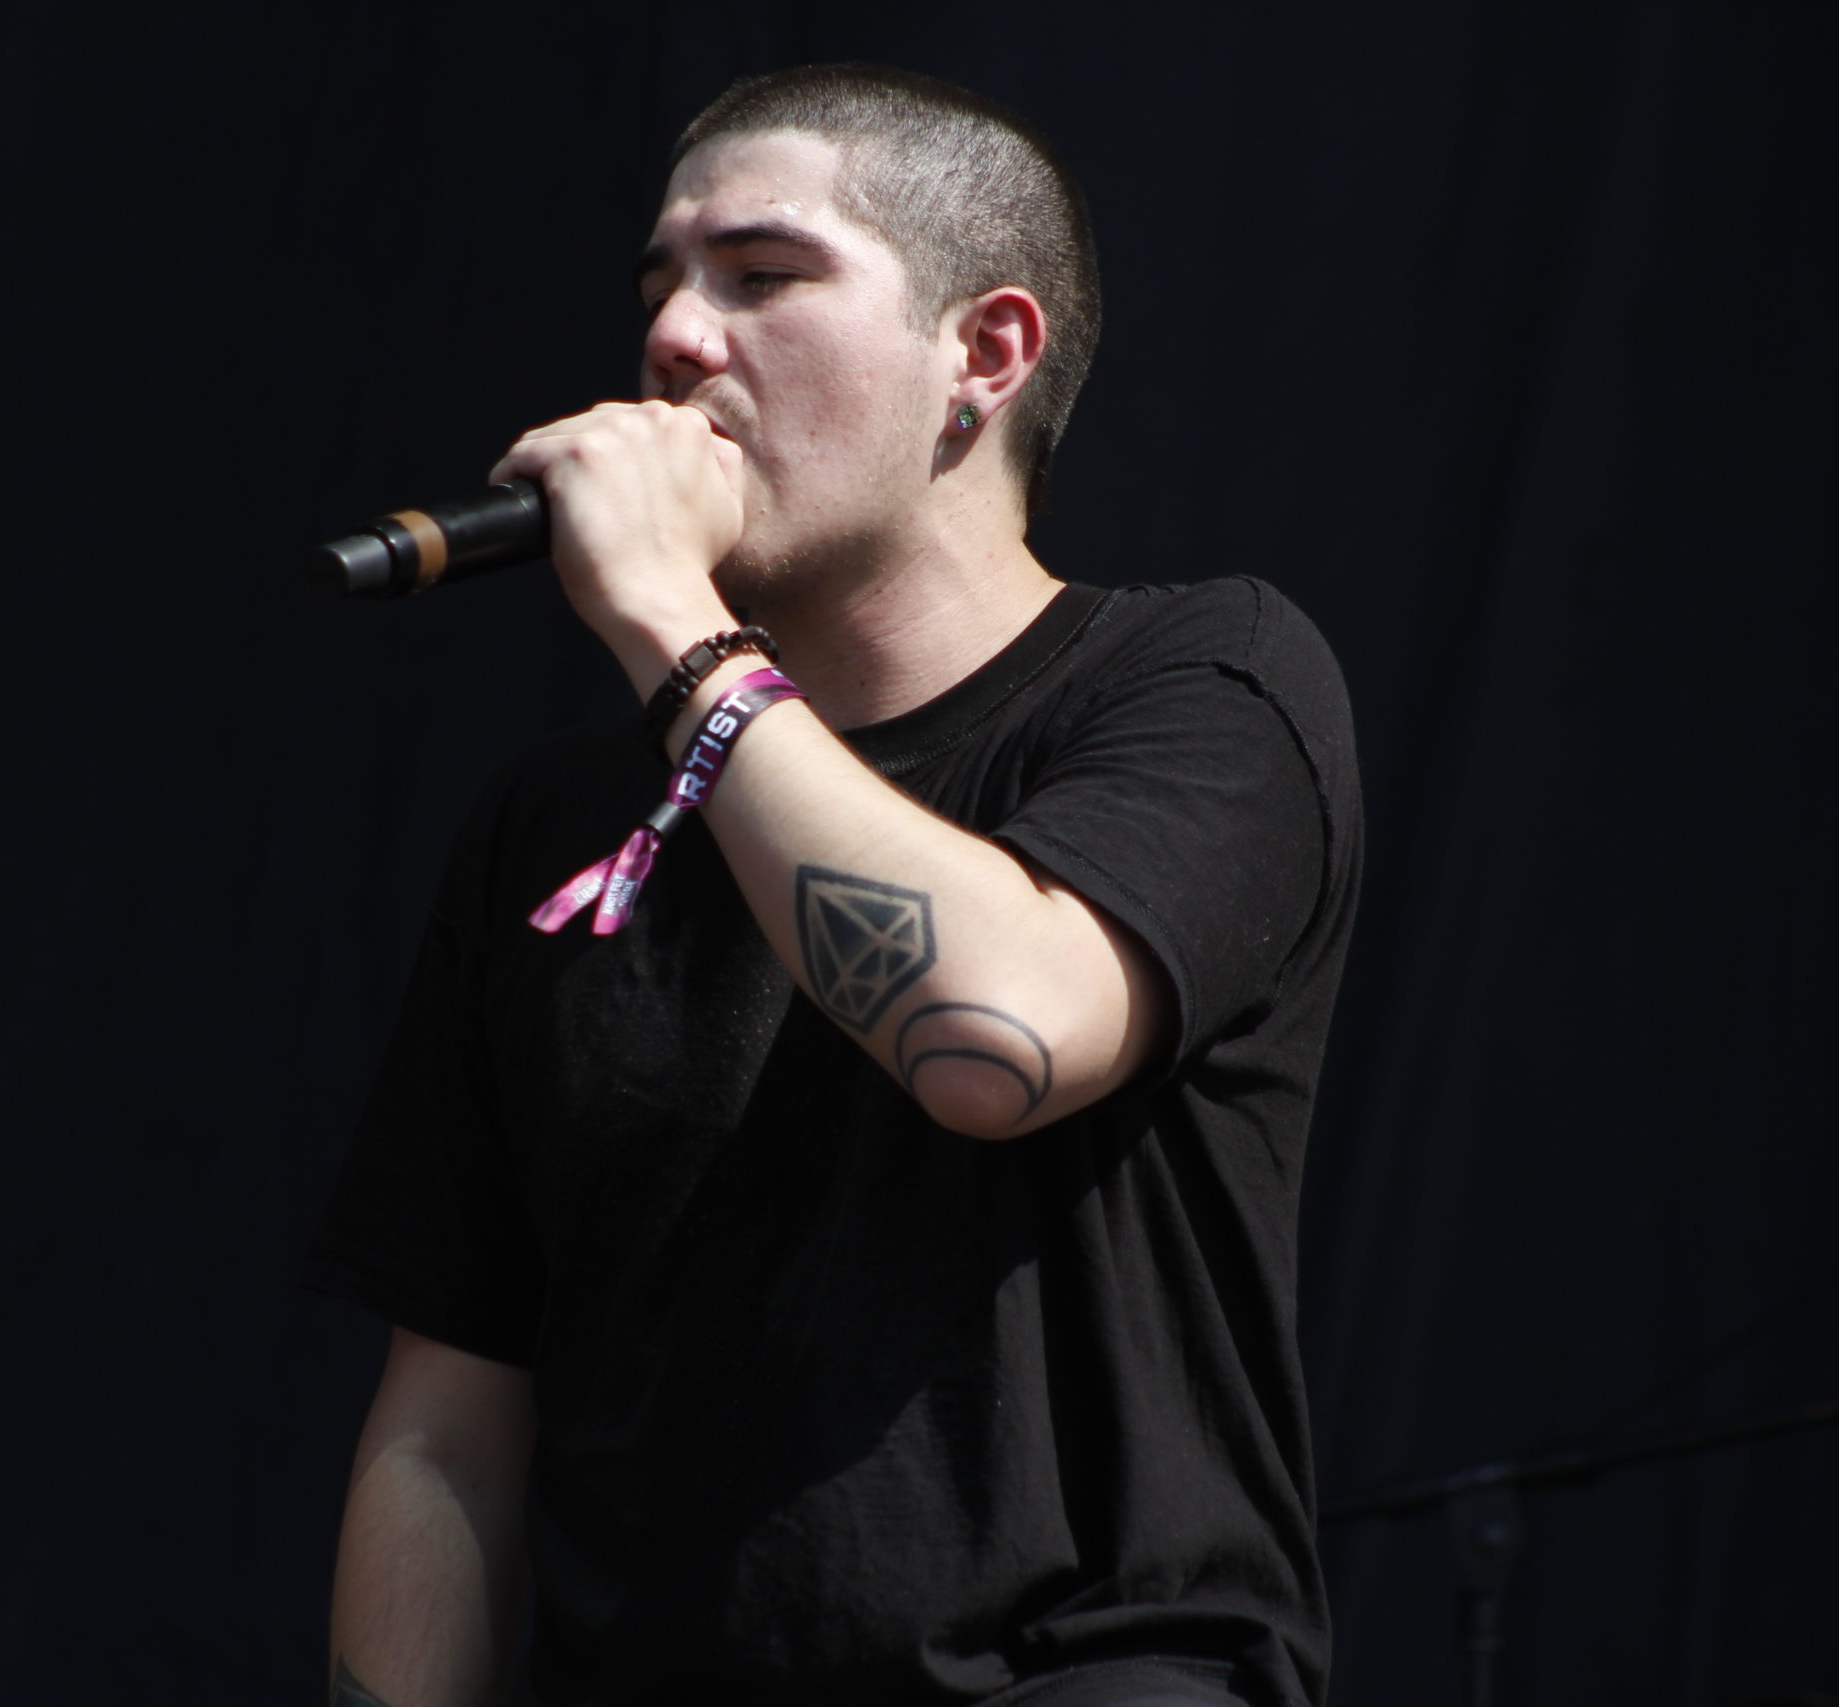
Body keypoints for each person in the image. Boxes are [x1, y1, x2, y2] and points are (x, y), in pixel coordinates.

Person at [307, 63, 1360, 1707]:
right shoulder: (552, 818)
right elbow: (447, 1426)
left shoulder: (1203, 679)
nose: (675, 337)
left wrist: (672, 622)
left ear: (984, 354)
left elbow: (995, 1036)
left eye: (764, 275)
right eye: (658, 287)